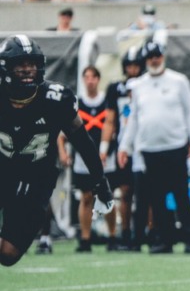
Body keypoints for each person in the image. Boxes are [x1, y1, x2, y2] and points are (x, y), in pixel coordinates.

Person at [0, 36, 113, 266]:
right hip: (3, 169)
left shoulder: (56, 98)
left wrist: (100, 181)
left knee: (8, 254)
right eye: (20, 64)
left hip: (37, 177)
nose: (27, 69)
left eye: (31, 63)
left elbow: (82, 140)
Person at [118, 41, 190, 255]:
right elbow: (134, 118)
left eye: (157, 56)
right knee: (157, 198)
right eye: (150, 57)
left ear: (163, 57)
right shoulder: (138, 85)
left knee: (181, 194)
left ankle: (189, 239)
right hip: (150, 148)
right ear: (146, 60)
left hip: (175, 145)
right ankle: (165, 239)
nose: (154, 60)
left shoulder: (178, 81)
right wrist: (125, 146)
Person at [57, 65, 118, 252]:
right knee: (85, 197)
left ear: (98, 79)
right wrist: (63, 152)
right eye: (87, 77)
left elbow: (110, 125)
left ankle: (113, 236)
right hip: (83, 161)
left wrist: (104, 149)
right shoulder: (78, 103)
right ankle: (85, 238)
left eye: (93, 77)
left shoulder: (107, 102)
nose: (90, 80)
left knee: (108, 197)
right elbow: (63, 133)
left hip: (105, 158)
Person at [100, 47, 143, 250]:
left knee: (147, 193)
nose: (133, 69)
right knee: (125, 191)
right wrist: (104, 145)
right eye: (130, 66)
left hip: (145, 144)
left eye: (136, 65)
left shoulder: (147, 85)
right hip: (123, 145)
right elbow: (110, 120)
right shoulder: (115, 88)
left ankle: (149, 232)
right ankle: (125, 232)